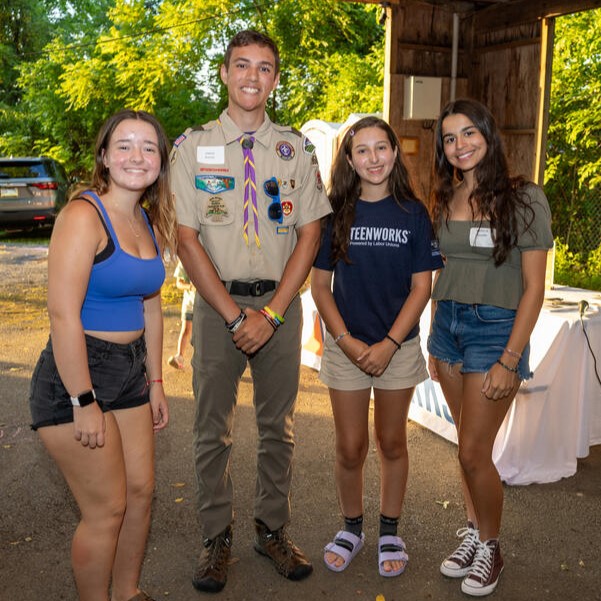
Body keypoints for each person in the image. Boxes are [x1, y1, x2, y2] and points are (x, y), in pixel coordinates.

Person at [170, 30, 332, 593]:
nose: (252, 77)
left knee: (277, 429)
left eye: (264, 68)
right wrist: (237, 318)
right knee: (211, 430)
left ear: (275, 80)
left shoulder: (296, 149)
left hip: (280, 306)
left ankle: (271, 530)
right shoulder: (192, 146)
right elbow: (186, 239)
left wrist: (275, 313)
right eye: (242, 65)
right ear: (224, 73)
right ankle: (216, 537)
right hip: (217, 308)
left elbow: (311, 235)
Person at [29, 109, 177, 601]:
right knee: (106, 509)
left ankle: (128, 593)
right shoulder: (81, 216)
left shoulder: (146, 220)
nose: (137, 155)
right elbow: (63, 316)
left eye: (149, 147)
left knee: (140, 496)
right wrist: (82, 400)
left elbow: (151, 306)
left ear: (161, 161)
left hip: (131, 371)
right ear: (105, 157)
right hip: (78, 375)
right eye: (125, 145)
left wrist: (156, 381)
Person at [427, 98, 553, 597]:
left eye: (468, 134)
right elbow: (443, 271)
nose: (460, 146)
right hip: (448, 327)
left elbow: (535, 287)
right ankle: (476, 533)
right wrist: (436, 337)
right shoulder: (447, 196)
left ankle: (492, 546)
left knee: (476, 452)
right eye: (450, 138)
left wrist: (508, 358)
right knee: (466, 449)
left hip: (494, 331)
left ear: (488, 135)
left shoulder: (524, 198)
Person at [311, 116, 443, 578]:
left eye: (380, 148)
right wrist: (346, 342)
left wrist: (388, 344)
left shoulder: (413, 213)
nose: (372, 158)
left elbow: (421, 288)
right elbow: (321, 287)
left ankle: (389, 529)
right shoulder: (334, 212)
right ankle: (352, 527)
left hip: (397, 348)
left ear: (394, 152)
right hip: (347, 347)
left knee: (391, 441)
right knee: (350, 447)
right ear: (349, 159)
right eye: (361, 150)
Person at [168, 260, 196, 370]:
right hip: (189, 303)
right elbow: (179, 283)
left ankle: (204, 358)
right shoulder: (184, 261)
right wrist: (190, 287)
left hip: (204, 304)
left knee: (202, 333)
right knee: (186, 330)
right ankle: (179, 356)